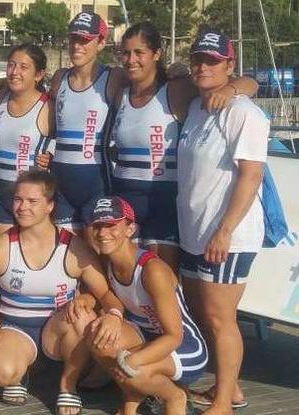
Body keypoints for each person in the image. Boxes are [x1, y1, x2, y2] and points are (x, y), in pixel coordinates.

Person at [0, 169, 124, 415]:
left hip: (58, 329)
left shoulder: (74, 247)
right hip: (16, 329)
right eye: (18, 199)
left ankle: (67, 386)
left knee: (83, 316)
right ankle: (22, 372)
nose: (22, 207)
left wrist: (113, 314)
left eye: (32, 201)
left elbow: (106, 294)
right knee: (0, 374)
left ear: (50, 205)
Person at [111, 22, 259, 271]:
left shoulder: (177, 89)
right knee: (127, 281)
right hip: (125, 201)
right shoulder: (121, 95)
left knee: (161, 283)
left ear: (157, 54)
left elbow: (251, 84)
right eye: (126, 53)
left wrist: (231, 90)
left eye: (139, 52)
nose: (131, 59)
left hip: (164, 203)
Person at [177, 31, 268, 415]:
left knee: (220, 317)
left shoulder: (242, 111)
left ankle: (224, 403)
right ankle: (227, 387)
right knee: (202, 313)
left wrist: (225, 230)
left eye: (213, 61)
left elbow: (251, 175)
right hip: (194, 231)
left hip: (227, 234)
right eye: (199, 59)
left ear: (229, 66)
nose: (203, 67)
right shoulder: (197, 106)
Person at [84, 196, 208, 415]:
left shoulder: (152, 270)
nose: (102, 233)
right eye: (97, 226)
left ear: (130, 228)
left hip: (185, 347)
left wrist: (132, 360)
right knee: (98, 336)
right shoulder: (108, 261)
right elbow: (106, 295)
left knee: (132, 368)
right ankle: (132, 401)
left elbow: (174, 336)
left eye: (111, 225)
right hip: (147, 337)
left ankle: (175, 397)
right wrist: (85, 299)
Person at [46, 12, 124, 230]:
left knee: (96, 253)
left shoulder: (114, 77)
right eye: (73, 39)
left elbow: (153, 83)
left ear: (101, 43)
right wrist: (45, 152)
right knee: (64, 255)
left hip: (96, 182)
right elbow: (47, 125)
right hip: (61, 181)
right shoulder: (59, 77)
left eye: (85, 40)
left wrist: (230, 85)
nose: (77, 46)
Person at [0, 43, 52, 236]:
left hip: (31, 196)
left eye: (24, 67)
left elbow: (66, 139)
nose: (15, 72)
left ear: (38, 75)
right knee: (3, 255)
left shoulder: (48, 106)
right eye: (11, 65)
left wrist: (51, 154)